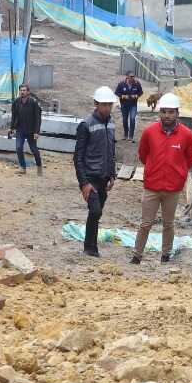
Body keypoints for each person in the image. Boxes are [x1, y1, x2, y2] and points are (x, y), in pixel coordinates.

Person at [131, 94, 192, 265]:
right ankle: (137, 255)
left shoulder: (187, 135)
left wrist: (179, 174)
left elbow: (191, 158)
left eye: (170, 112)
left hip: (172, 189)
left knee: (168, 223)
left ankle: (165, 255)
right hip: (152, 187)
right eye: (164, 112)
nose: (167, 115)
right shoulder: (149, 132)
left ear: (177, 113)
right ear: (159, 112)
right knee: (145, 223)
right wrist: (153, 169)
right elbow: (143, 155)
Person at [73, 86, 118, 258]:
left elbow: (111, 151)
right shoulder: (86, 125)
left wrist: (112, 174)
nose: (107, 108)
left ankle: (91, 247)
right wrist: (83, 183)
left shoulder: (111, 123)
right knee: (95, 211)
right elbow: (78, 157)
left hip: (104, 177)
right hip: (90, 177)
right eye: (103, 105)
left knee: (96, 213)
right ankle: (89, 247)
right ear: (96, 104)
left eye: (109, 105)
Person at [9, 83, 43, 173]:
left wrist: (37, 132)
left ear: (28, 92)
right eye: (21, 90)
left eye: (24, 90)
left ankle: (39, 166)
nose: (22, 92)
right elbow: (14, 116)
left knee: (34, 149)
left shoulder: (33, 103)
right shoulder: (16, 102)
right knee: (19, 147)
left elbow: (38, 118)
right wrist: (11, 127)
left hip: (31, 131)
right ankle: (23, 168)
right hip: (20, 129)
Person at [114, 72, 144, 141]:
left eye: (133, 76)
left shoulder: (137, 83)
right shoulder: (121, 84)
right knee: (125, 119)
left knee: (132, 119)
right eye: (131, 76)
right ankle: (125, 135)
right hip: (124, 105)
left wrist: (136, 96)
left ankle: (131, 136)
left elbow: (141, 92)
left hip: (133, 105)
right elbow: (116, 92)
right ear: (127, 76)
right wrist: (122, 96)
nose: (132, 78)